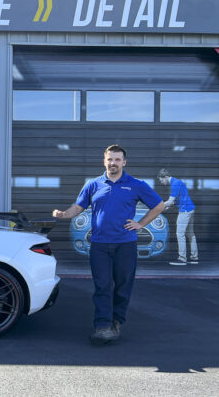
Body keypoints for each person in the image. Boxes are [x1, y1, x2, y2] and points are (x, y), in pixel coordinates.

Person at [52, 145, 164, 345]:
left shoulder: (136, 184)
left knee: (122, 286)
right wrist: (63, 214)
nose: (113, 163)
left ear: (124, 162)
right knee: (102, 286)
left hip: (125, 245)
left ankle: (116, 321)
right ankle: (103, 326)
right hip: (100, 245)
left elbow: (159, 205)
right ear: (104, 161)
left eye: (117, 159)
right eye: (110, 159)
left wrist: (141, 224)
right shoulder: (93, 185)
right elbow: (78, 207)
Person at [157, 169, 198, 266]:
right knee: (190, 234)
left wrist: (158, 207)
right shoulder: (177, 182)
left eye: (161, 180)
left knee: (180, 234)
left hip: (185, 211)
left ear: (166, 177)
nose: (162, 183)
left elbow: (170, 201)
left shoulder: (175, 183)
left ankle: (182, 259)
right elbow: (175, 201)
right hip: (191, 209)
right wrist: (164, 208)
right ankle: (194, 258)